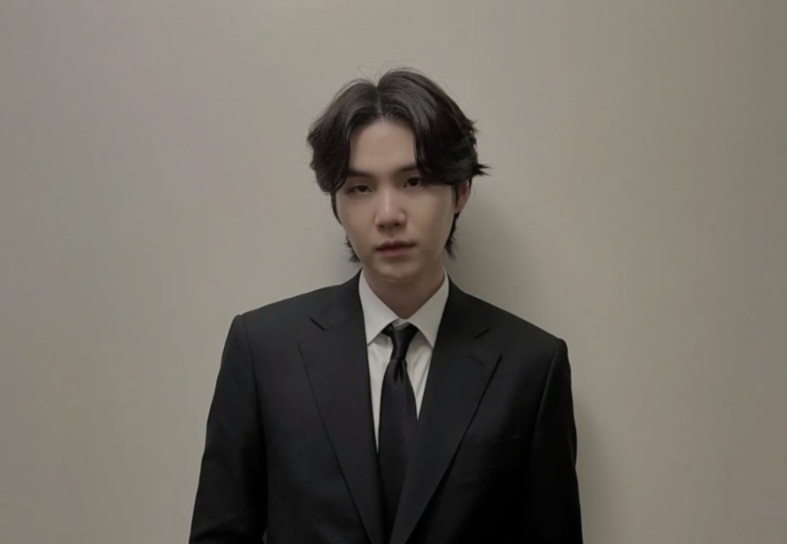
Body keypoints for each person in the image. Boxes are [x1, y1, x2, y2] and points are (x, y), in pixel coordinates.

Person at [190, 69, 583, 544]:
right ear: (336, 205)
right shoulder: (263, 350)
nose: (388, 215)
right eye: (360, 188)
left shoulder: (531, 366)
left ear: (460, 191)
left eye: (414, 181)